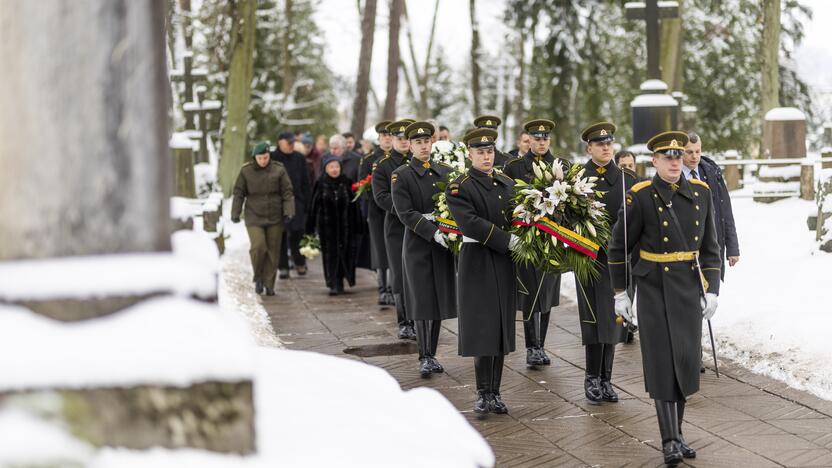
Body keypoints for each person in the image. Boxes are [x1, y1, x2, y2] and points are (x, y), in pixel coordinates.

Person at [608, 131, 721, 465]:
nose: (674, 162)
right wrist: (620, 293)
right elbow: (618, 247)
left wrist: (712, 288)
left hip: (688, 287)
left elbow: (711, 248)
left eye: (678, 157)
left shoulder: (701, 192)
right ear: (654, 161)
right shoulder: (639, 196)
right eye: (667, 158)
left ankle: (679, 433)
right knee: (661, 364)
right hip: (654, 287)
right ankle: (669, 439)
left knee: (685, 363)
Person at [446, 128, 518, 415]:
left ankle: (496, 392)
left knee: (500, 325)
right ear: (470, 154)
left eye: (489, 151)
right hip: (477, 259)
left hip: (503, 261)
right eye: (480, 152)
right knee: (482, 326)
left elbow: (517, 213)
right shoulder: (459, 186)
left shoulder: (506, 182)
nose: (486, 157)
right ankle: (482, 392)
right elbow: (470, 223)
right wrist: (506, 239)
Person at [576, 122, 639, 404]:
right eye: (599, 144)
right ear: (589, 148)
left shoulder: (628, 179)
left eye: (608, 143)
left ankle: (606, 378)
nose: (605, 147)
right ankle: (591, 377)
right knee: (592, 319)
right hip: (588, 259)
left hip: (616, 260)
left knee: (614, 319)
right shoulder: (576, 180)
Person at [391, 122, 457, 377]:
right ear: (410, 145)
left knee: (439, 296)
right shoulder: (402, 174)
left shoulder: (445, 172)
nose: (423, 146)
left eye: (426, 141)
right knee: (421, 298)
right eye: (418, 142)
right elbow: (405, 212)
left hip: (443, 243)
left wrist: (449, 230)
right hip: (418, 243)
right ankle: (424, 355)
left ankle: (434, 352)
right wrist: (433, 232)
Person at [503, 119, 569, 367]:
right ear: (528, 139)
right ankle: (532, 346)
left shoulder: (561, 165)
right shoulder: (515, 167)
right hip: (528, 238)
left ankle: (542, 344)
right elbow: (507, 201)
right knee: (531, 291)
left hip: (553, 238)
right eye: (536, 138)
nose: (541, 142)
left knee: (548, 291)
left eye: (545, 138)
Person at [231, 142, 295, 296]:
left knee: (273, 251)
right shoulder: (246, 171)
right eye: (260, 158)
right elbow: (239, 192)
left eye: (265, 157)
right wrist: (235, 212)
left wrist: (289, 211)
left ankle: (269, 284)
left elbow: (287, 192)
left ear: (269, 156)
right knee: (258, 246)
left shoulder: (279, 169)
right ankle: (258, 277)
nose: (263, 161)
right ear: (255, 157)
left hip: (275, 215)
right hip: (254, 215)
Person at [372, 119, 417, 340]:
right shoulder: (383, 165)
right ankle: (404, 321)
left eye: (406, 139)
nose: (403, 142)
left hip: (419, 226)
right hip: (397, 227)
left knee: (418, 275)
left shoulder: (419, 162)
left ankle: (419, 318)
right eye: (399, 139)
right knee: (399, 274)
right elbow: (381, 197)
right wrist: (405, 210)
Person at [305, 156, 365, 295]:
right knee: (330, 255)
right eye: (331, 167)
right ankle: (332, 283)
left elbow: (355, 205)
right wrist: (310, 228)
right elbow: (313, 207)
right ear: (325, 169)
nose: (334, 169)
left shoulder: (347, 182)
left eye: (336, 166)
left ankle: (341, 281)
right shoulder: (320, 183)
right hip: (327, 228)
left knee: (346, 254)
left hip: (346, 227)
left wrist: (359, 225)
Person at [683, 132, 739, 277]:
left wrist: (732, 248)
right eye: (689, 152)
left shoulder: (712, 173)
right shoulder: (674, 176)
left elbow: (725, 210)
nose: (694, 156)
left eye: (697, 151)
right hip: (686, 248)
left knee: (711, 295)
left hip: (712, 245)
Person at [359, 121, 395, 305]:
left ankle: (394, 289)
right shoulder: (369, 160)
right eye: (384, 136)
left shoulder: (401, 158)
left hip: (396, 212)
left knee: (394, 251)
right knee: (380, 250)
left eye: (390, 135)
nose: (387, 139)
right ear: (379, 139)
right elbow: (362, 187)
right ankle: (383, 288)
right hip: (377, 212)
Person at [271, 132, 311, 280]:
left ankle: (300, 262)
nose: (291, 144)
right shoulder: (272, 157)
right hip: (278, 203)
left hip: (297, 201)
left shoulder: (299, 158)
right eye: (288, 142)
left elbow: (306, 181)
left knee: (298, 233)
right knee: (280, 235)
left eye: (292, 142)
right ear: (280, 142)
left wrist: (307, 201)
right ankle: (283, 267)